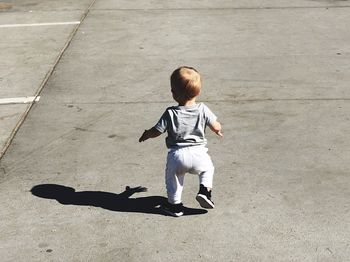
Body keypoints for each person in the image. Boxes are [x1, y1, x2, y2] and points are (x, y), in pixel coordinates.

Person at [139, 66, 223, 217]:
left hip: (177, 156)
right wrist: (217, 129)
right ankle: (205, 191)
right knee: (208, 169)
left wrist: (146, 134)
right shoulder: (203, 109)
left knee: (173, 181)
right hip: (199, 154)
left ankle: (175, 206)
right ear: (198, 91)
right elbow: (215, 125)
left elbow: (156, 131)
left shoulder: (170, 113)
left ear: (173, 93)